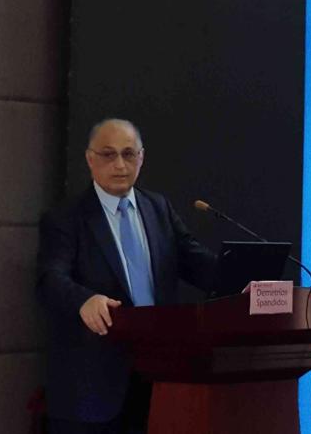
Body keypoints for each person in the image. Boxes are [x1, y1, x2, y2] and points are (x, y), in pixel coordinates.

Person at [36, 119, 217, 434]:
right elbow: (49, 279)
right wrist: (84, 300)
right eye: (108, 154)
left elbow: (195, 262)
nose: (120, 165)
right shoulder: (66, 217)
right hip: (93, 386)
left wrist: (243, 281)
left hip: (159, 376)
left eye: (129, 154)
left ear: (141, 157)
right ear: (90, 159)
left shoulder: (157, 208)